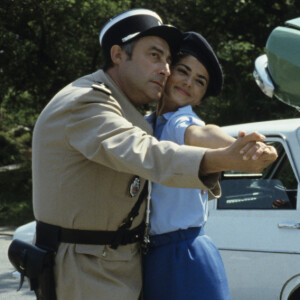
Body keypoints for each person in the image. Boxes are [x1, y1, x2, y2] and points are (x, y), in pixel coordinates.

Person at [31, 9, 277, 300]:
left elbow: (198, 131)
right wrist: (224, 157)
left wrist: (240, 147)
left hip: (126, 263)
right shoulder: (87, 102)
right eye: (155, 56)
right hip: (89, 271)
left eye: (169, 61)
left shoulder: (128, 111)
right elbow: (143, 151)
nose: (166, 69)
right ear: (118, 55)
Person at [142, 32, 276, 300]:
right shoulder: (145, 124)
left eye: (199, 81)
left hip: (184, 253)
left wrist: (237, 148)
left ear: (201, 97)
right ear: (167, 72)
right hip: (152, 254)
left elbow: (200, 134)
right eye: (183, 71)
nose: (188, 82)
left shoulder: (179, 122)